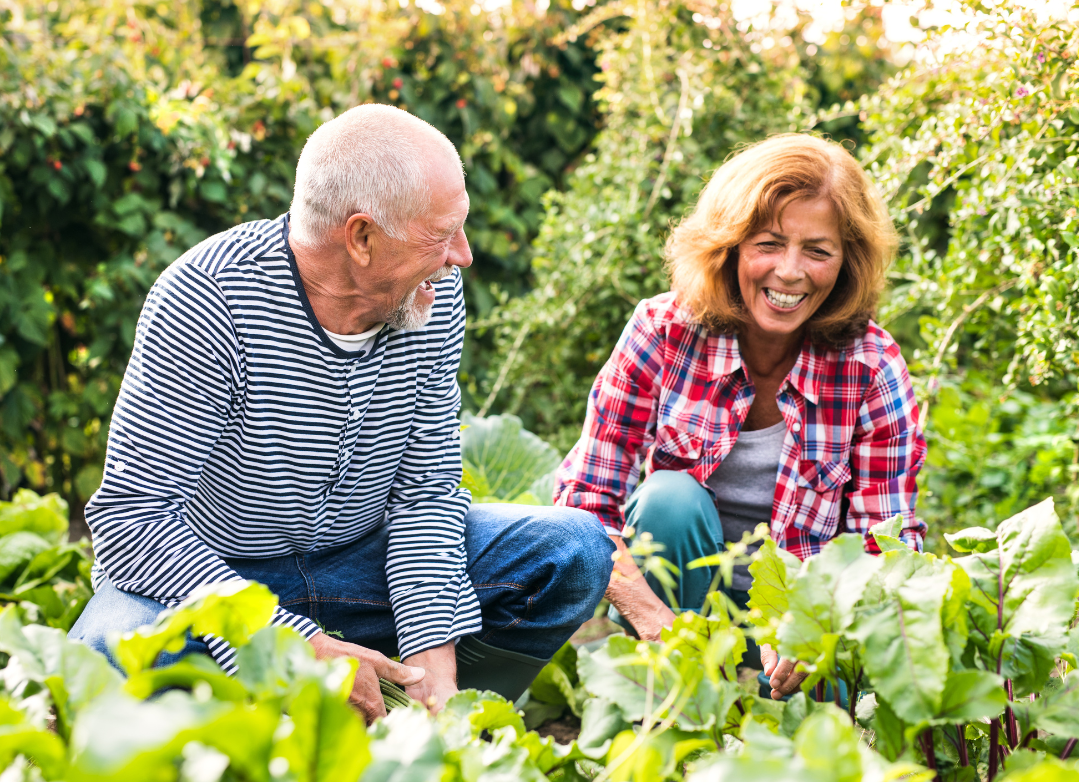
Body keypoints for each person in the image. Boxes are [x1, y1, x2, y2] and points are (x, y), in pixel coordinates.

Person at [69, 104, 613, 723]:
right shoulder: (209, 298)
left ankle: (410, 717)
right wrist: (290, 641)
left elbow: (425, 494)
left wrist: (435, 669)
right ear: (360, 237)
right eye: (442, 234)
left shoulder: (427, 294)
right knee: (108, 659)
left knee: (574, 552)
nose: (461, 255)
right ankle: (276, 714)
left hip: (361, 567)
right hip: (221, 577)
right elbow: (132, 521)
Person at [554, 134, 926, 700]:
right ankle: (670, 702)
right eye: (769, 243)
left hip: (801, 626)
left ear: (847, 262)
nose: (791, 272)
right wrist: (655, 623)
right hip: (677, 610)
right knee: (670, 498)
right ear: (730, 244)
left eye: (818, 251)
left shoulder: (871, 366)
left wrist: (813, 627)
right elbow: (584, 505)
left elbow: (885, 544)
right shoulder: (663, 331)